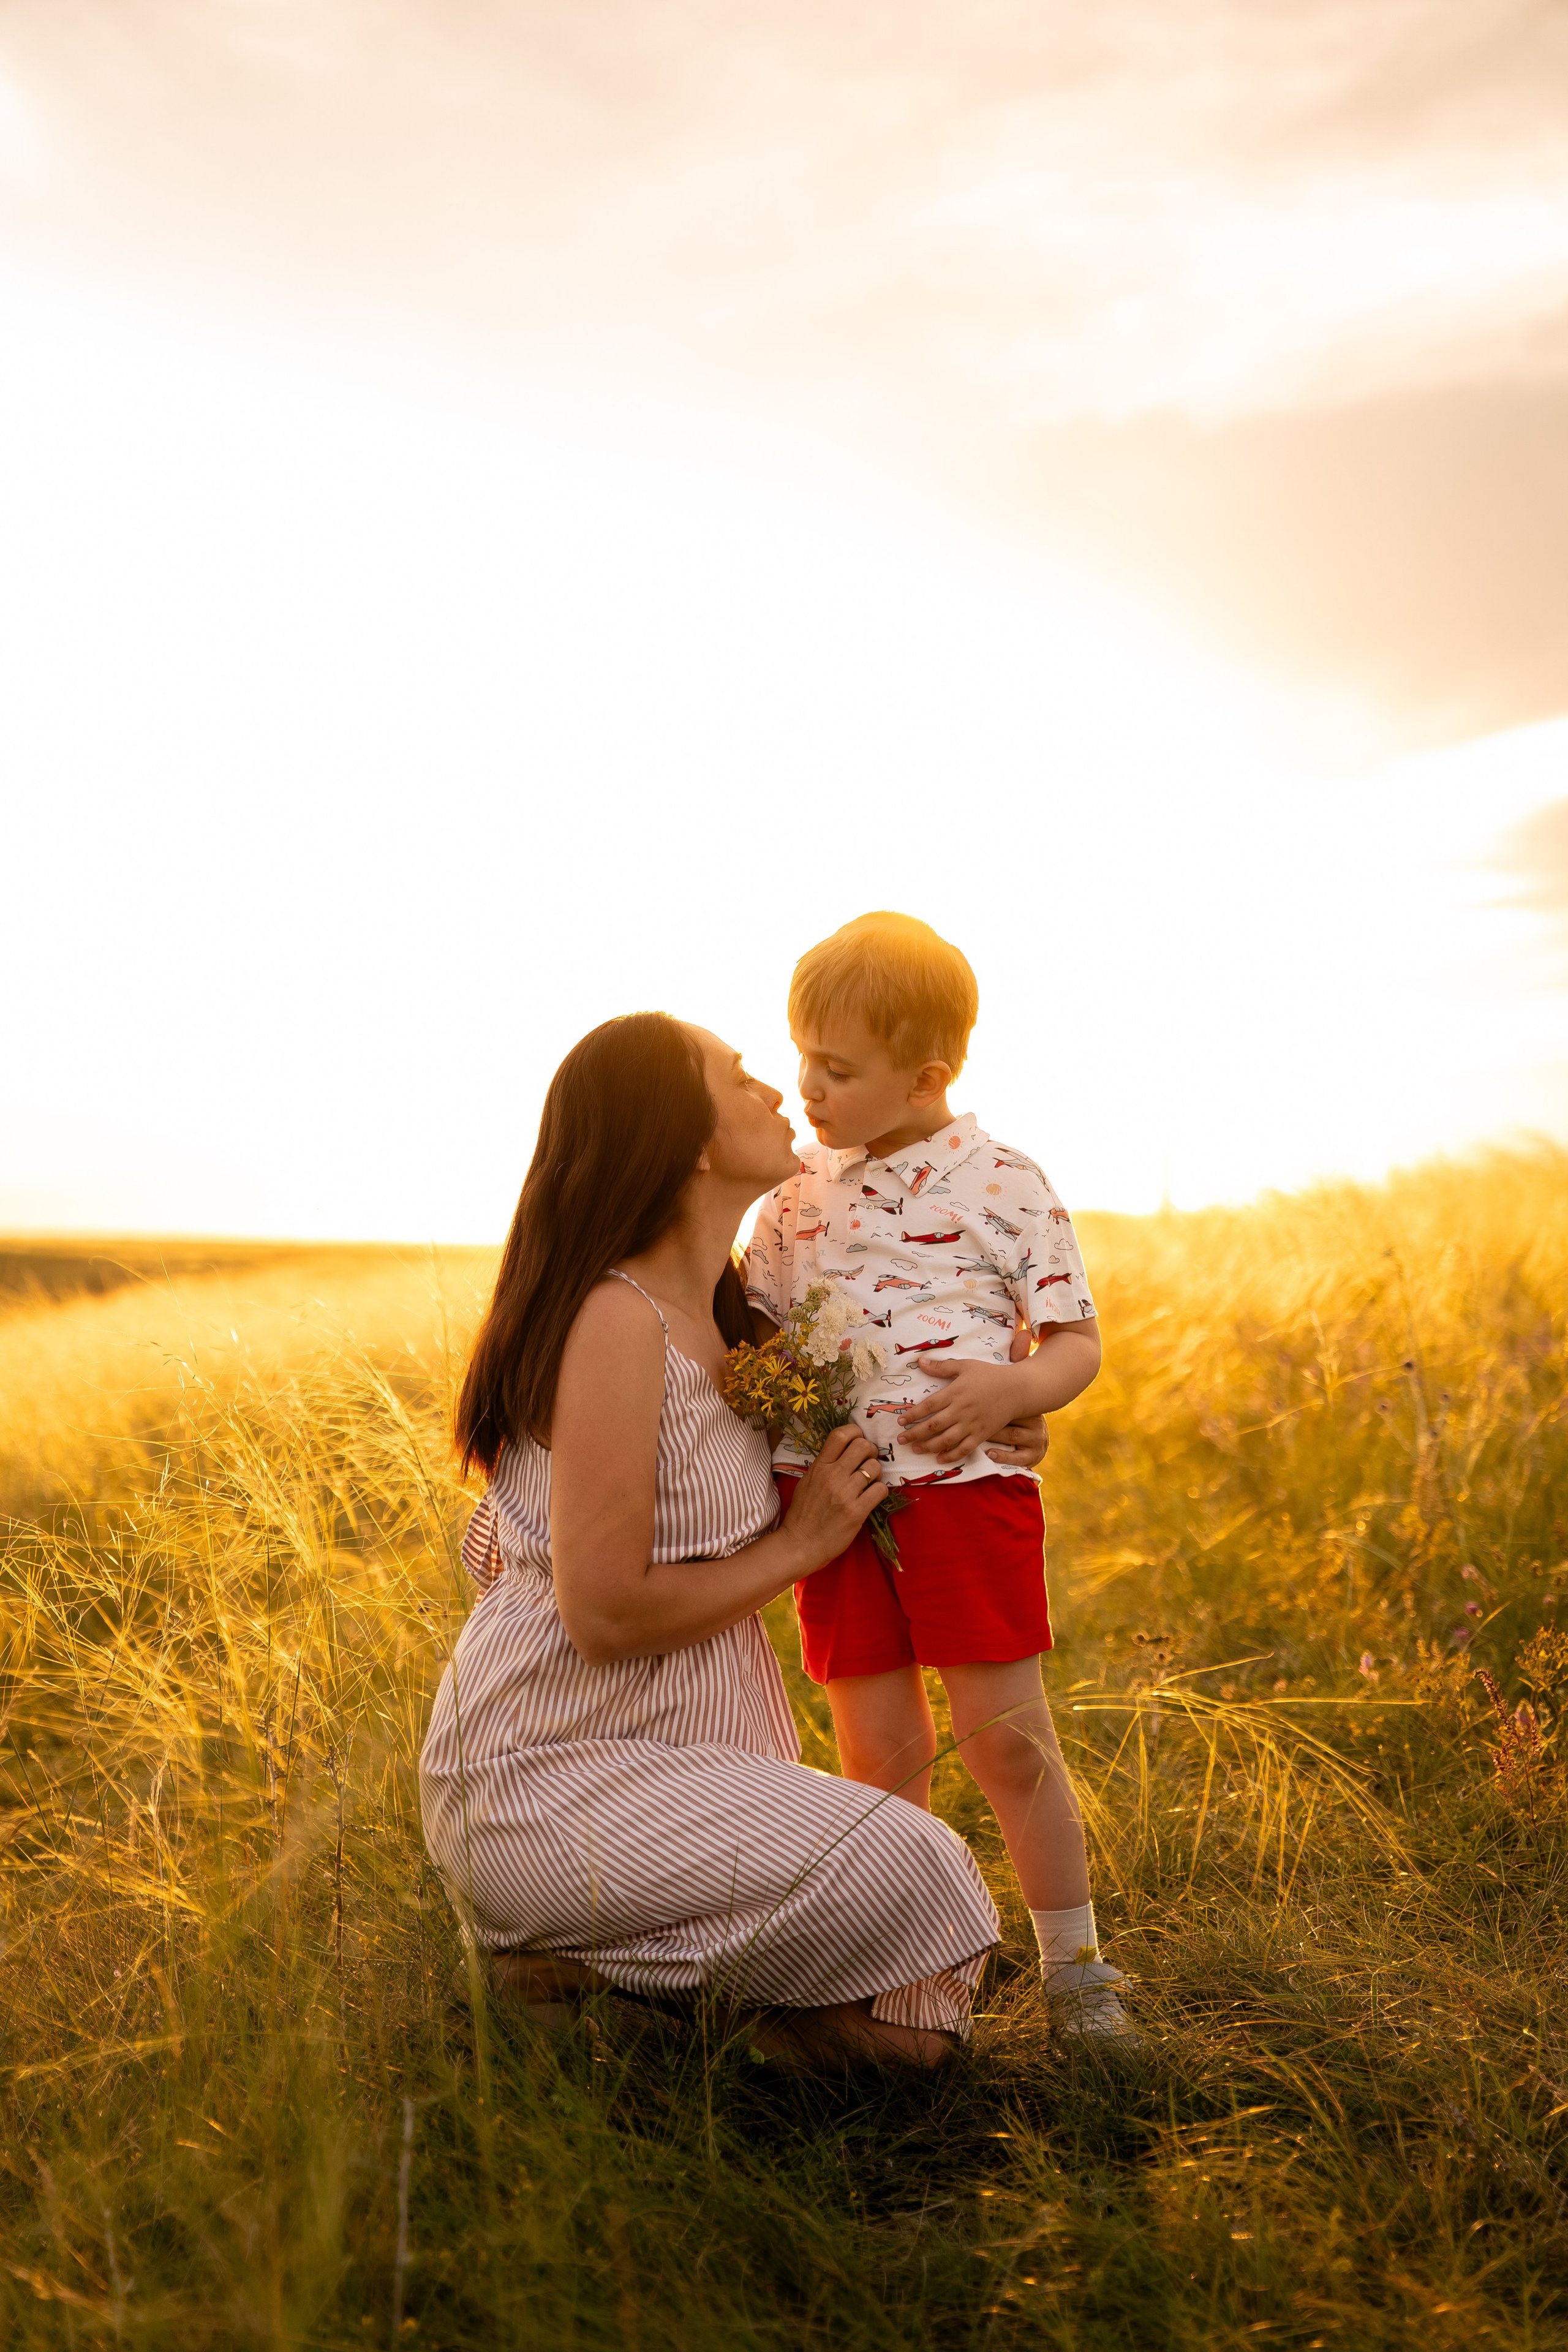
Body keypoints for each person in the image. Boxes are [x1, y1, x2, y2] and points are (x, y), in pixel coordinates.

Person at [419, 1011, 1046, 2067]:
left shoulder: (740, 1309)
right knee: (923, 1865)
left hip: (683, 1765)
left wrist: (999, 1412)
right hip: (551, 1777)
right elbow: (603, 1612)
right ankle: (573, 1969)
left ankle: (607, 1996)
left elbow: (885, 1387)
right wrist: (797, 1549)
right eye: (741, 1077)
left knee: (919, 2043)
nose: (776, 1091)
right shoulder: (616, 1318)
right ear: (690, 1140)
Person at [745, 911, 1137, 2040]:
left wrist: (1015, 1392)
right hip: (831, 1503)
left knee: (1007, 1740)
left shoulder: (1004, 1182)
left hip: (966, 1497)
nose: (807, 1087)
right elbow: (754, 1336)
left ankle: (1077, 1972)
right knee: (879, 1751)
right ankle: (900, 1967)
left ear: (925, 1079)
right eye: (802, 1056)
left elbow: (1074, 1343)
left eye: (836, 1068)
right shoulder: (790, 1200)